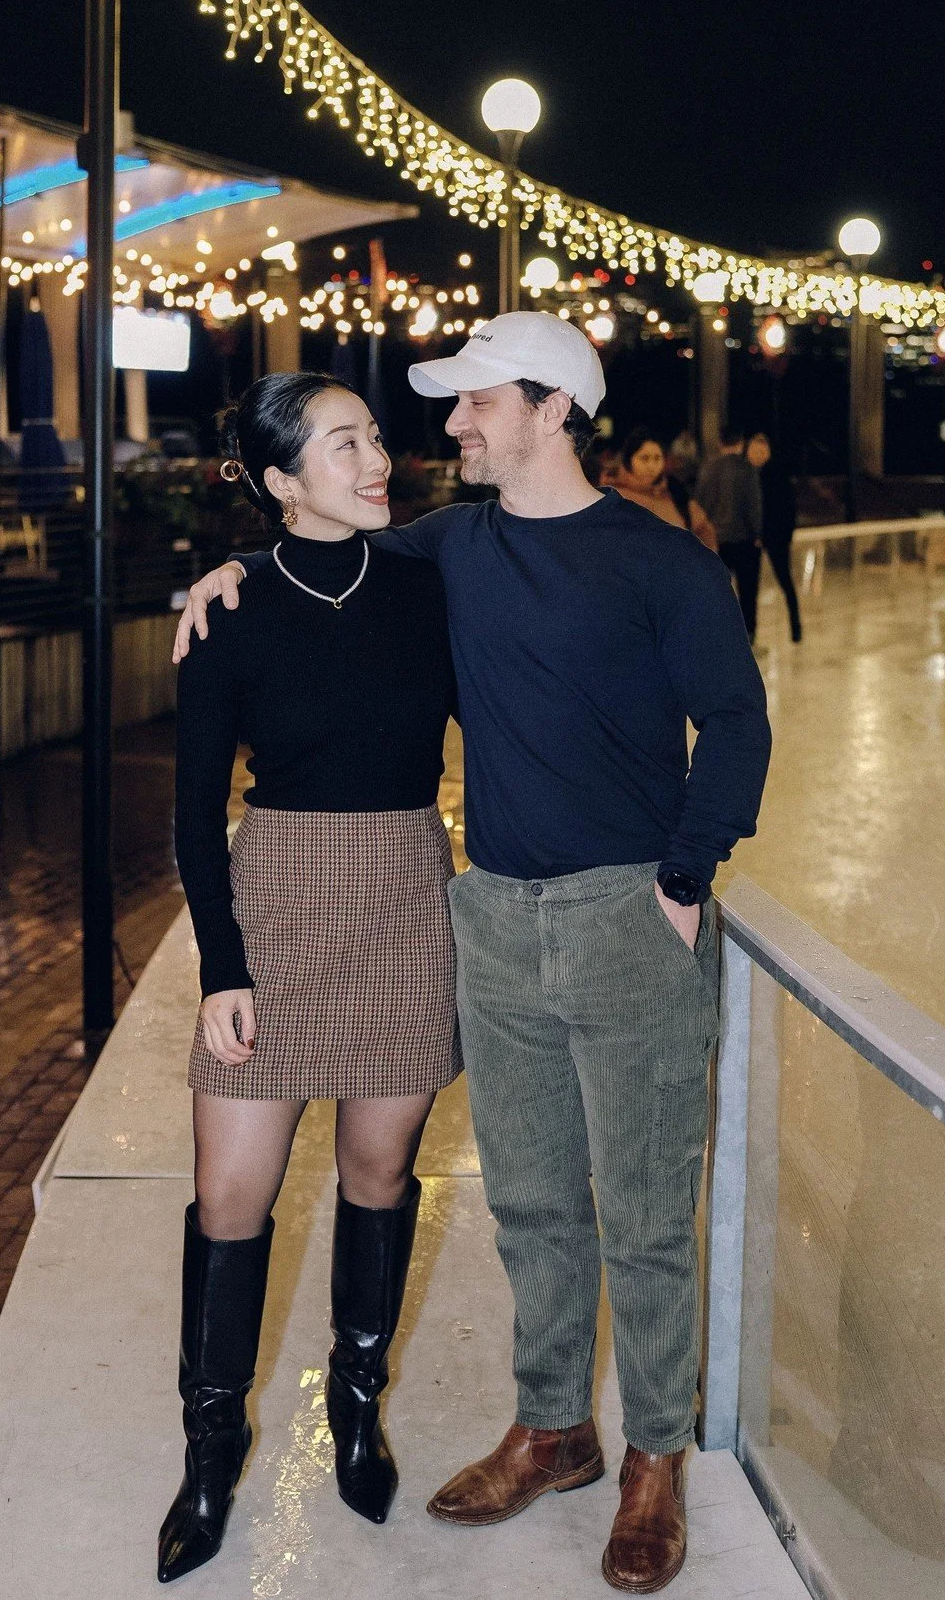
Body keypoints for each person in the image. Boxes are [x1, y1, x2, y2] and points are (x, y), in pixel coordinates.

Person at [175, 312, 771, 1594]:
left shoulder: (663, 565)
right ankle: (555, 1426)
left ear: (555, 406)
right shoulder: (453, 546)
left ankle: (653, 1453)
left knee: (648, 1211)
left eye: (475, 404)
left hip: (627, 914)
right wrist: (221, 573)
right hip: (491, 917)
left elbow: (734, 718)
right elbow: (320, 548)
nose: (449, 428)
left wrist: (681, 876)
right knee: (534, 1200)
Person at [160, 373, 461, 1582]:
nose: (378, 456)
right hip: (276, 900)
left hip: (403, 897)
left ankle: (355, 1400)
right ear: (283, 479)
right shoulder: (230, 610)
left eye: (376, 436)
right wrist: (220, 968)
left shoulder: (431, 586)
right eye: (346, 443)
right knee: (231, 1196)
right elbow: (189, 814)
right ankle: (211, 1443)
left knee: (379, 1171)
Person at [695, 425, 763, 641]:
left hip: (715, 540)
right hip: (743, 539)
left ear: (720, 443)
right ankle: (748, 635)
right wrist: (757, 533)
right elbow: (753, 505)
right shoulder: (747, 469)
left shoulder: (708, 469)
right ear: (741, 443)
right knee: (748, 591)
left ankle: (719, 634)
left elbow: (699, 504)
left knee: (718, 592)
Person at [613, 429, 718, 549]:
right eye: (644, 458)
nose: (651, 466)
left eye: (657, 458)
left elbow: (704, 532)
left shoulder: (676, 494)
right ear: (629, 461)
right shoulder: (614, 498)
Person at [745, 432, 802, 643]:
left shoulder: (777, 474)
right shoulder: (746, 474)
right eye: (754, 449)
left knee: (785, 581)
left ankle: (796, 628)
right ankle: (750, 633)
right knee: (749, 588)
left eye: (762, 449)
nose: (757, 454)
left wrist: (782, 536)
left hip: (775, 538)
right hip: (751, 538)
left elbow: (787, 510)